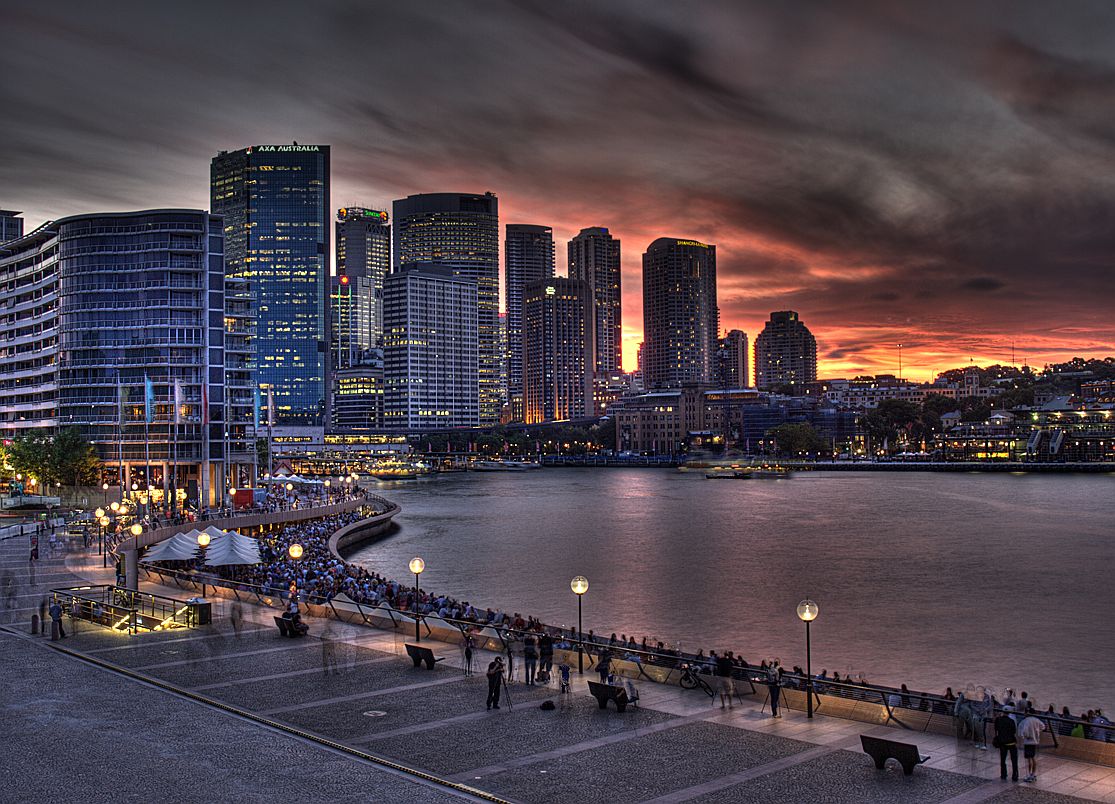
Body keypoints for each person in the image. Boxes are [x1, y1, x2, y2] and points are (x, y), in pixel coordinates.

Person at [1018, 710, 1045, 782]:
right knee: (1033, 758)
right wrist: (1037, 732)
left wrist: (1025, 736)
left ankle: (1029, 774)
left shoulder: (1026, 721)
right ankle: (1033, 774)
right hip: (1035, 742)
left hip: (1028, 742)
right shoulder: (1036, 720)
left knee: (1029, 759)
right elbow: (1043, 726)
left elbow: (1024, 731)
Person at [993, 707, 1019, 781]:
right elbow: (1014, 731)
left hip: (1002, 742)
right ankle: (1015, 775)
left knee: (1003, 759)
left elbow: (996, 729)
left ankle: (1003, 774)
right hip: (1011, 742)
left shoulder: (998, 720)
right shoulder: (1011, 721)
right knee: (1014, 760)